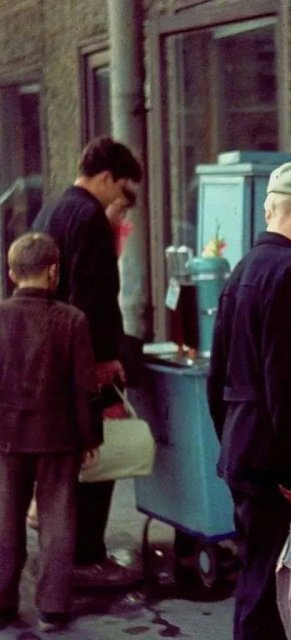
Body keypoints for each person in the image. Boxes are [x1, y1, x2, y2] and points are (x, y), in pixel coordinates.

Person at [207, 162, 291, 639]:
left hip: (244, 451)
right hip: (274, 463)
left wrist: (232, 439)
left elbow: (216, 376)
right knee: (270, 595)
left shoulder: (243, 270)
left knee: (257, 582)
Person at [31, 136, 143, 587]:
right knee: (94, 457)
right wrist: (101, 359)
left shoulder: (50, 210)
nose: (120, 200)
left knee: (62, 467)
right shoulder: (90, 217)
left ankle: (61, 561)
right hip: (78, 360)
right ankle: (86, 558)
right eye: (120, 189)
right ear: (104, 177)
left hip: (46, 357)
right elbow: (94, 298)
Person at [0, 233, 101, 633]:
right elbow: (85, 387)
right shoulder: (73, 320)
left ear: (11, 273)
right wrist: (90, 436)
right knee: (58, 520)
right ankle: (53, 605)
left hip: (6, 435)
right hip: (59, 436)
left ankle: (3, 599)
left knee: (5, 518)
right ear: (54, 271)